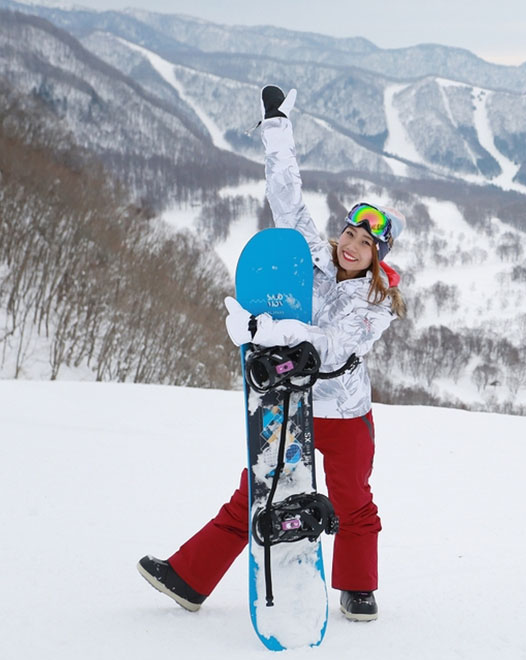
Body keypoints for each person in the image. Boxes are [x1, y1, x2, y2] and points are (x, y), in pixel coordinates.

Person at [137, 85, 406, 622]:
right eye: (350, 232)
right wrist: (278, 127)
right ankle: (190, 578)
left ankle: (357, 587)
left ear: (378, 257)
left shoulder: (375, 301)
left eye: (365, 243)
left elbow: (332, 347)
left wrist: (270, 331)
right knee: (256, 491)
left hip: (345, 412)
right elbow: (287, 194)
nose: (352, 244)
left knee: (353, 500)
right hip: (292, 403)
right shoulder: (315, 255)